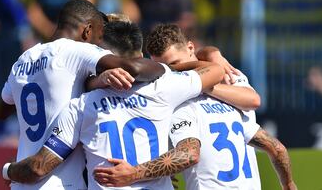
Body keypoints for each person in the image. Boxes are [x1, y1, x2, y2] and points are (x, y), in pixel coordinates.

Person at [0, 21, 225, 190]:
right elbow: (215, 71)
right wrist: (177, 66)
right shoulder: (164, 87)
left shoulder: (81, 105)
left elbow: (40, 167)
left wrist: (7, 169)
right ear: (140, 54)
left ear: (105, 56)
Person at [93, 24, 297, 190]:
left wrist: (135, 174)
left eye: (176, 65)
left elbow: (189, 154)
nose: (171, 74)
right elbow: (276, 147)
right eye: (164, 69)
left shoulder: (181, 103)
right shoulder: (231, 106)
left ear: (191, 49)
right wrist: (288, 184)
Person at [0, 0, 168, 190]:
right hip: (61, 183)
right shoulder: (76, 51)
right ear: (87, 31)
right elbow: (134, 68)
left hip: (23, 181)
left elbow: (0, 111)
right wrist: (171, 70)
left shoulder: (23, 60)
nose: (100, 46)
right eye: (99, 37)